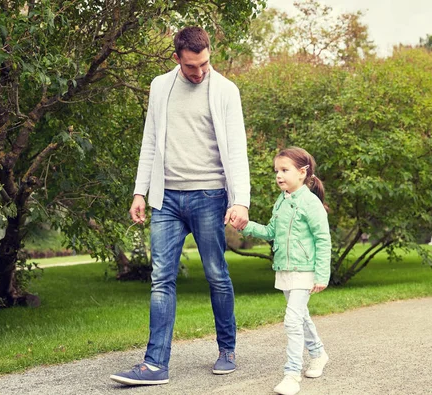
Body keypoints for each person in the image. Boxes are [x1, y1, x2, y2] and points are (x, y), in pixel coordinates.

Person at [110, 26, 250, 386]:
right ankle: (155, 364)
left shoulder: (225, 91)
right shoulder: (160, 87)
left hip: (209, 196)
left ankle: (227, 350)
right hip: (166, 198)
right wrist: (140, 192)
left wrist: (241, 201)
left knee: (217, 275)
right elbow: (150, 142)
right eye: (191, 66)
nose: (200, 72)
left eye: (204, 63)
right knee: (161, 280)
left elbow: (236, 152)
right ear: (176, 58)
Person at [237, 147, 331, 395]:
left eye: (284, 170)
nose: (278, 175)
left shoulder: (311, 203)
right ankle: (319, 354)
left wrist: (322, 275)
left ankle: (291, 375)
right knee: (300, 316)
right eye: (276, 170)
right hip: (285, 268)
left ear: (302, 173)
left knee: (292, 320)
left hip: (305, 270)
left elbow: (323, 240)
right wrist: (246, 225)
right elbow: (270, 232)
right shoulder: (282, 200)